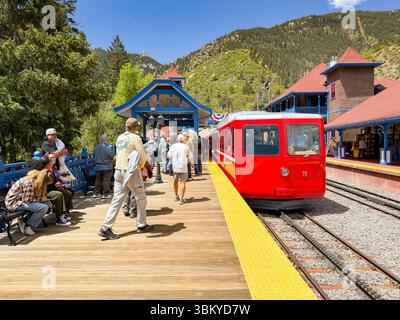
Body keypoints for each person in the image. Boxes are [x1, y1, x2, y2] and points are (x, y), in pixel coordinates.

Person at [98, 118, 154, 241]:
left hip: (118, 170)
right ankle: (141, 224)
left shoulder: (120, 137)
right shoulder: (135, 138)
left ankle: (105, 227)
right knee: (141, 198)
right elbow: (142, 155)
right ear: (135, 127)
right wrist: (144, 167)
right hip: (131, 171)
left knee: (116, 200)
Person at [5, 159, 51, 236]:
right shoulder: (29, 182)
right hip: (14, 204)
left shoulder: (33, 180)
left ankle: (24, 220)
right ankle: (27, 225)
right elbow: (27, 200)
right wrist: (40, 199)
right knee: (43, 207)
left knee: (47, 204)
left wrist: (42, 199)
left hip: (21, 201)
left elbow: (28, 198)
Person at [47, 153, 73, 227]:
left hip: (54, 187)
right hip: (46, 191)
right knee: (59, 194)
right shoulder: (46, 169)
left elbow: (58, 180)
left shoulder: (54, 168)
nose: (53, 159)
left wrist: (63, 185)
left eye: (54, 158)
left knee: (67, 192)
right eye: (51, 158)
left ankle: (65, 213)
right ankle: (59, 218)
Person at [168, 134, 194, 205]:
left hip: (175, 166)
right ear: (183, 140)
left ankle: (176, 196)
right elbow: (191, 156)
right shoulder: (186, 147)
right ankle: (181, 199)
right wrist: (192, 165)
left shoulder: (172, 146)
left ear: (177, 140)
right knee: (182, 182)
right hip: (183, 166)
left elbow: (169, 156)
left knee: (175, 181)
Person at [93, 134, 116, 199]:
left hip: (98, 166)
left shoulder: (96, 147)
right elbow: (113, 156)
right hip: (107, 167)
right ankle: (105, 194)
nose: (108, 141)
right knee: (106, 181)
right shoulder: (107, 148)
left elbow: (94, 155)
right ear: (105, 140)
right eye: (108, 139)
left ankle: (96, 193)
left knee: (98, 180)